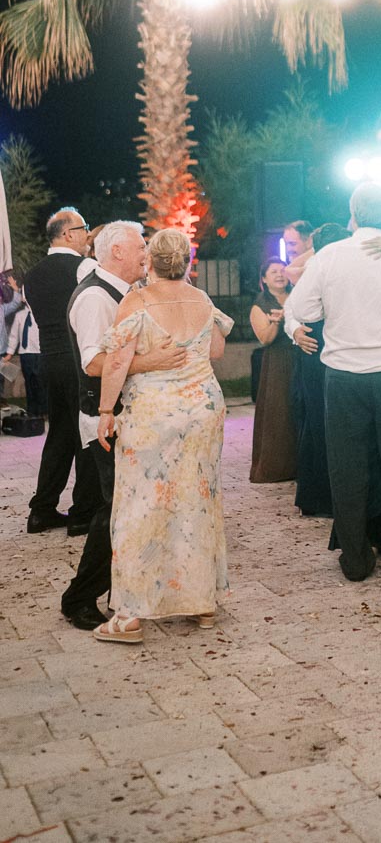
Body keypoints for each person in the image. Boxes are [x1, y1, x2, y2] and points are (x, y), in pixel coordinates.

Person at [283, 182, 381, 582]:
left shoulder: (329, 257)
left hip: (344, 379)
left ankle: (356, 562)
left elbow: (301, 308)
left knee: (347, 469)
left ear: (352, 214)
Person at [92, 229, 233, 643]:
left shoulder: (136, 301)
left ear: (150, 262)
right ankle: (202, 602)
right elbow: (217, 351)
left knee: (140, 508)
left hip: (154, 415)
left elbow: (117, 363)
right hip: (203, 410)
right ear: (187, 262)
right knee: (198, 501)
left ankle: (130, 617)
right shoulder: (202, 299)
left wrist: (105, 411)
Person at [59, 221, 187, 631]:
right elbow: (95, 364)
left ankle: (122, 590)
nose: (146, 253)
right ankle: (79, 597)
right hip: (101, 419)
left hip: (122, 415)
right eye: (140, 246)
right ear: (116, 253)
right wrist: (154, 362)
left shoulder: (123, 292)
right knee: (114, 511)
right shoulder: (96, 298)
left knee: (121, 507)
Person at [24, 208, 102, 536]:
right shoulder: (85, 267)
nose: (88, 236)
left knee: (58, 435)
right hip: (78, 361)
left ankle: (41, 511)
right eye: (84, 229)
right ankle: (83, 514)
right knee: (87, 433)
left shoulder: (31, 276)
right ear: (68, 234)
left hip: (48, 362)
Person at [293, 223, 350, 517]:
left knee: (331, 424)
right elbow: (294, 307)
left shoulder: (349, 269)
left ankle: (328, 496)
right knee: (319, 422)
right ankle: (322, 497)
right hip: (316, 350)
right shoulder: (319, 265)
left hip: (336, 351)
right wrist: (294, 330)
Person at [248, 258, 296, 483]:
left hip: (301, 358)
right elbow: (265, 339)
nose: (279, 274)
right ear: (264, 279)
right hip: (278, 362)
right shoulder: (260, 305)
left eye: (283, 270)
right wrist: (277, 322)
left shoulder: (298, 295)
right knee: (279, 413)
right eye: (273, 271)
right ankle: (277, 467)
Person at [3, 274, 45, 417]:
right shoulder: (20, 316)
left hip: (39, 352)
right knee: (29, 381)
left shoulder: (41, 314)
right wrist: (9, 353)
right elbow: (14, 336)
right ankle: (32, 409)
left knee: (40, 381)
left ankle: (43, 410)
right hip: (25, 353)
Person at [282, 219, 314, 285]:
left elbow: (290, 271)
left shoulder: (315, 265)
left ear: (308, 242)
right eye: (286, 244)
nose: (288, 249)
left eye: (292, 244)